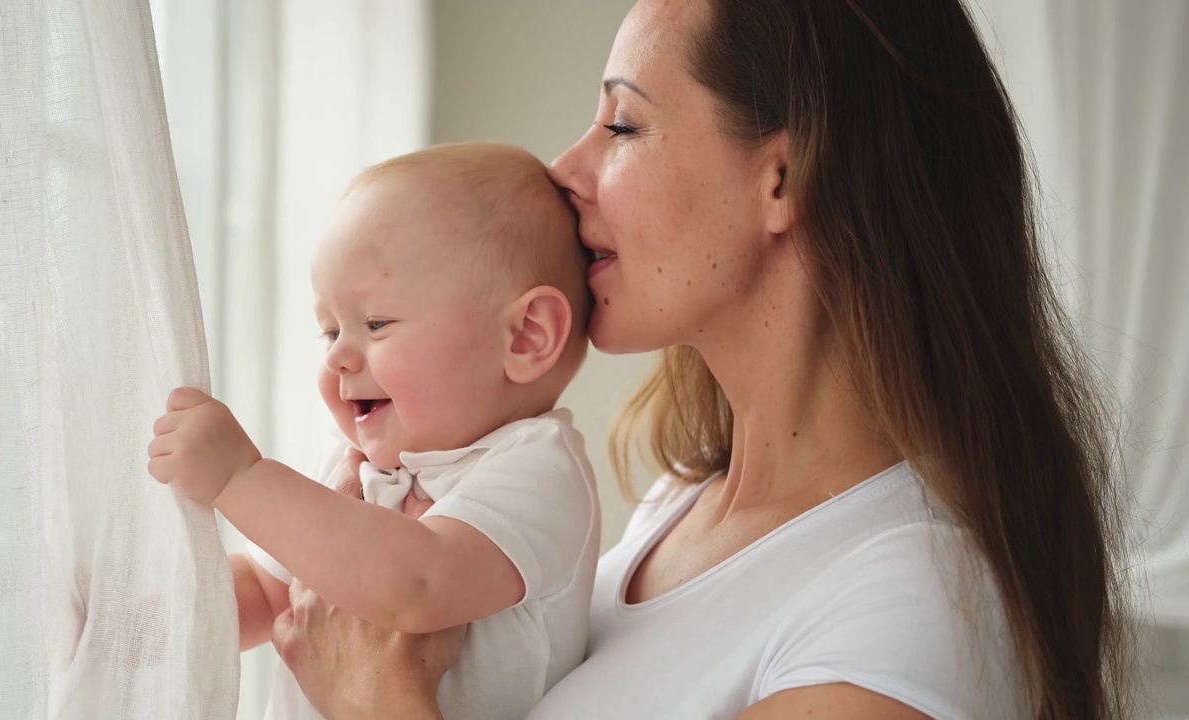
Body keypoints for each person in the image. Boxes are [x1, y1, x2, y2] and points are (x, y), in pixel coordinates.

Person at [271, 1, 1136, 719]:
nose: (567, 169)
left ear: (784, 179)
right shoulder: (674, 511)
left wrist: (373, 692)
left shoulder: (911, 605)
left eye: (623, 122)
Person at [147, 143, 602, 720]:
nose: (338, 356)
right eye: (329, 331)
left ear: (526, 337)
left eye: (376, 323)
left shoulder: (537, 467)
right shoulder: (353, 463)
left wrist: (240, 479)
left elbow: (414, 585)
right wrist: (133, 625)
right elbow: (265, 594)